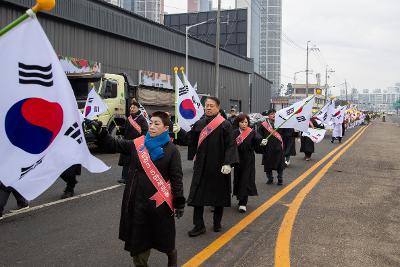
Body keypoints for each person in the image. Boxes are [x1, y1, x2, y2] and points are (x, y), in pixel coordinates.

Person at [89, 111, 185, 267]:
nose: (152, 126)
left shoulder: (171, 150)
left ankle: (171, 256)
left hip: (159, 206)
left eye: (157, 124)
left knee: (164, 239)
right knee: (140, 242)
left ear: (165, 128)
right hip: (138, 202)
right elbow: (114, 144)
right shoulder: (138, 143)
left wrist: (179, 201)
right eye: (151, 122)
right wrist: (101, 133)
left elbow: (176, 178)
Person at [173, 96, 238, 236]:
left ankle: (217, 223)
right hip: (201, 166)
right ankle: (199, 225)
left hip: (219, 167)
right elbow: (189, 140)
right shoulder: (200, 123)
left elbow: (231, 145)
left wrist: (228, 163)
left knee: (219, 196)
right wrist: (179, 131)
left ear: (218, 108)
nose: (208, 107)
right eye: (207, 105)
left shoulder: (225, 125)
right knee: (198, 197)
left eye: (211, 105)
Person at [232, 114, 262, 213]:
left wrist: (262, 143)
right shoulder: (234, 133)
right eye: (242, 122)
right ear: (238, 123)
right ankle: (240, 198)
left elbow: (258, 148)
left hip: (248, 160)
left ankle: (243, 203)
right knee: (238, 179)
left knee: (246, 180)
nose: (244, 124)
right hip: (237, 160)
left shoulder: (252, 133)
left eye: (246, 122)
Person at [117, 99, 148, 184]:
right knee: (126, 160)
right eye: (131, 107)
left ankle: (134, 177)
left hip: (136, 143)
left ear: (138, 108)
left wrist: (141, 141)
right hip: (127, 142)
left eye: (133, 107)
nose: (131, 109)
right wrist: (120, 129)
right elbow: (126, 130)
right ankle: (124, 177)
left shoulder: (142, 119)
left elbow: (145, 131)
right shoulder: (129, 118)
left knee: (134, 161)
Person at [258, 109, 285, 185]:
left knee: (280, 164)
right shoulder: (263, 125)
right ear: (268, 115)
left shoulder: (281, 124)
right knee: (268, 164)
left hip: (278, 147)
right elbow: (259, 135)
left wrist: (295, 132)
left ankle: (280, 179)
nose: (273, 115)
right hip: (268, 148)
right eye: (271, 114)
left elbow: (286, 134)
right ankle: (270, 178)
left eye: (274, 114)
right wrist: (261, 140)